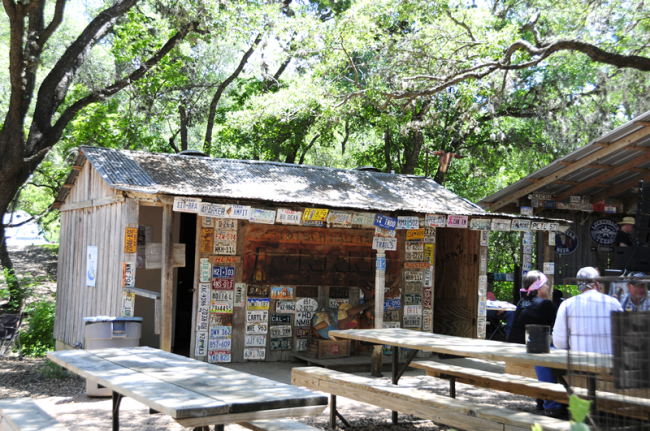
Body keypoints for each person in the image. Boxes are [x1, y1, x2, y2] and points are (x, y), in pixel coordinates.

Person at [506, 271, 563, 418]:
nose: (548, 287)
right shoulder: (547, 304)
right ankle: (552, 404)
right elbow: (561, 329)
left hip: (515, 349)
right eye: (546, 284)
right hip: (529, 350)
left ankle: (541, 402)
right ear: (538, 288)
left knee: (543, 351)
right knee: (557, 352)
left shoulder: (521, 302)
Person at [553, 267, 623, 355]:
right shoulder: (614, 303)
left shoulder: (567, 304)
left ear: (578, 285)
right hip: (609, 363)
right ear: (597, 284)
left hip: (578, 363)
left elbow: (559, 343)